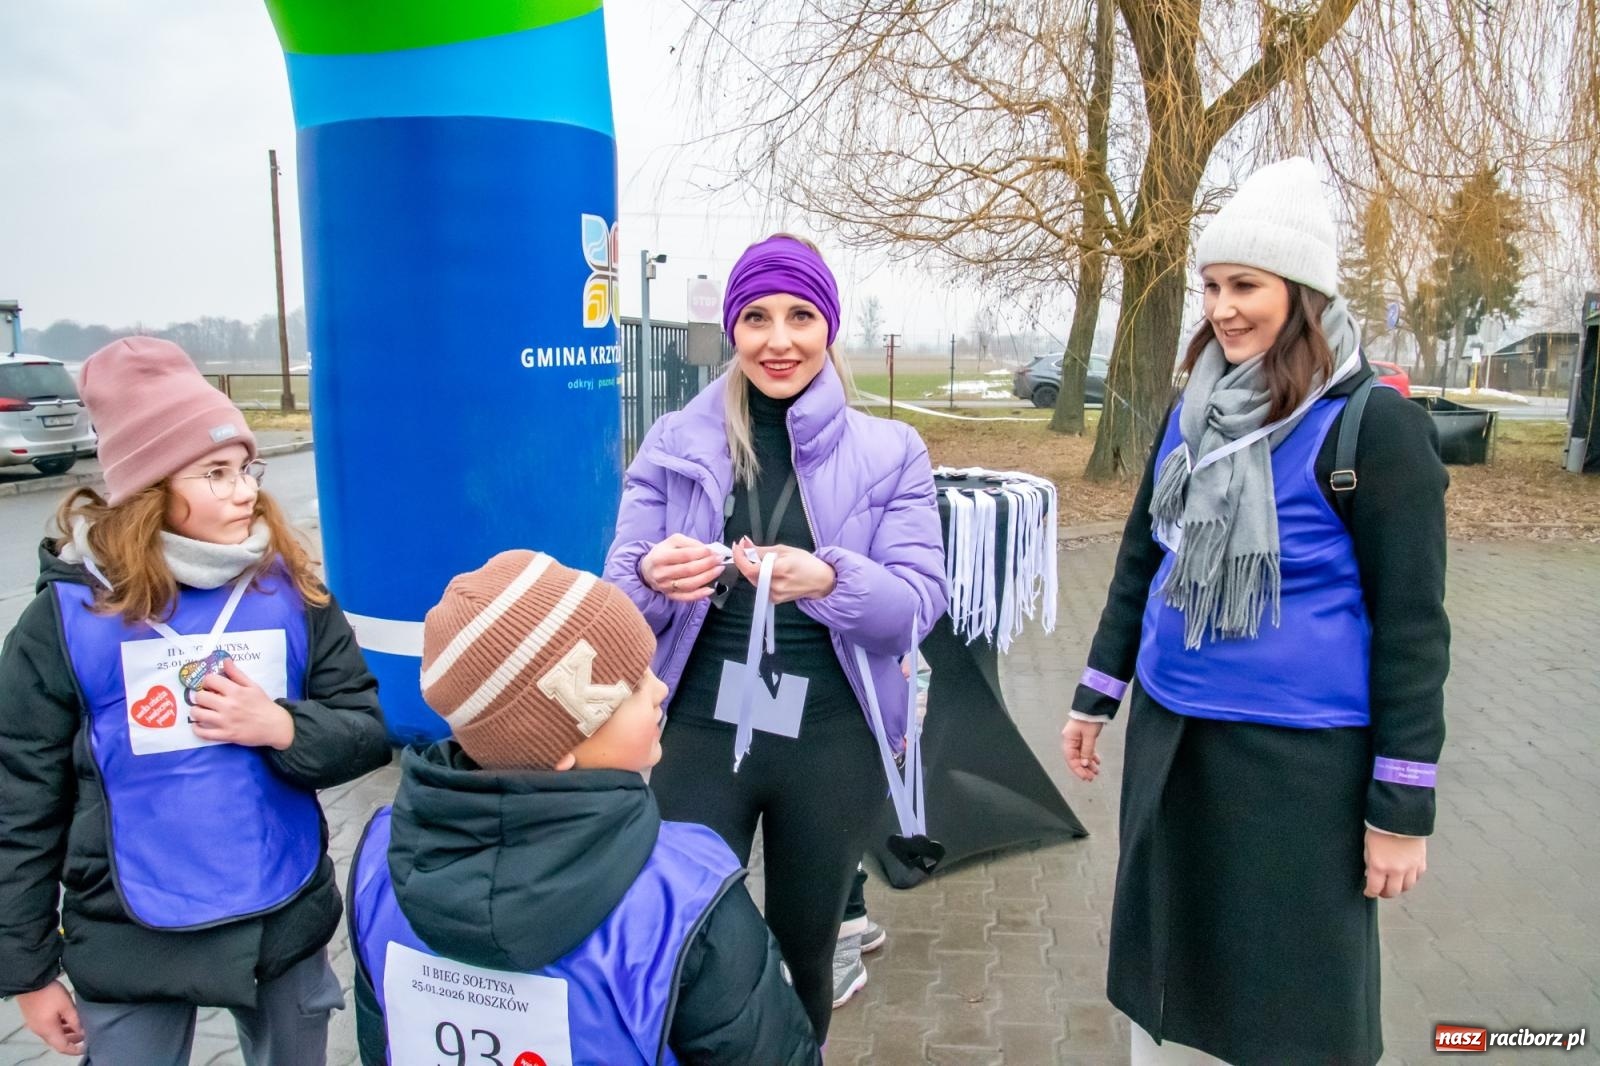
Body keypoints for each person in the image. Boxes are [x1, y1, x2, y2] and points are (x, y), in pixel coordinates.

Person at [1060, 158, 1450, 1066]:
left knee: (1291, 1007)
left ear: (1304, 293)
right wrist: (1095, 696)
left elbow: (1414, 631)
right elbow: (1141, 560)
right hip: (1173, 732)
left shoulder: (1375, 429)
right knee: (1167, 979)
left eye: (1247, 286)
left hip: (1298, 766)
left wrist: (1402, 808)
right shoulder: (1189, 413)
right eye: (1211, 287)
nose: (1224, 308)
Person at [0, 337, 391, 1065]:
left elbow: (367, 732)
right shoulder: (61, 623)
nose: (244, 490)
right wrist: (25, 971)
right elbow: (20, 802)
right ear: (147, 491)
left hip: (281, 919)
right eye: (215, 473)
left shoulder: (292, 593)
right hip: (125, 934)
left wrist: (282, 728)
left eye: (246, 467)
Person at [605, 233, 947, 1037]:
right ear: (733, 328)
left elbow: (916, 605)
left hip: (830, 742)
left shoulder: (892, 452)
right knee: (685, 940)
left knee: (807, 949)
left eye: (801, 315)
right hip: (693, 730)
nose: (778, 339)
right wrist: (651, 576)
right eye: (755, 317)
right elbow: (616, 602)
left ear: (828, 324)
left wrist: (832, 581)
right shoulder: (674, 442)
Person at [346, 550, 820, 1065]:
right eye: (634, 685)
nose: (660, 688)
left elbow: (382, 1040)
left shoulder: (379, 863)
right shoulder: (685, 894)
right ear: (557, 744)